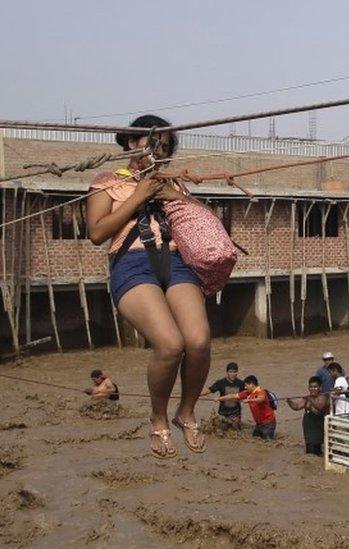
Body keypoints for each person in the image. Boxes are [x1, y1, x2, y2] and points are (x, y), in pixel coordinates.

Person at [87, 114, 209, 459]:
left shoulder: (174, 183)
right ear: (131, 142)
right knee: (170, 344)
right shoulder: (108, 180)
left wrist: (172, 193)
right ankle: (158, 418)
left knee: (198, 341)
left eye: (165, 147)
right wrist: (140, 195)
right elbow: (97, 232)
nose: (158, 151)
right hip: (133, 263)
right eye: (152, 143)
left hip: (176, 261)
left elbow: (203, 220)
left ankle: (186, 412)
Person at [218, 375, 276, 440]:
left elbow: (261, 399)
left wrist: (249, 400)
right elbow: (233, 396)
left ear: (251, 384)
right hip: (259, 424)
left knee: (268, 443)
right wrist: (219, 398)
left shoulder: (261, 392)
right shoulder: (248, 393)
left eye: (246, 385)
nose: (245, 387)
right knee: (256, 440)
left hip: (268, 424)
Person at [287, 377, 329, 456]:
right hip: (308, 430)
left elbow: (320, 406)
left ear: (320, 388)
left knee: (315, 451)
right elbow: (297, 407)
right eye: (311, 387)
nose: (312, 389)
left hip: (317, 429)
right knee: (309, 450)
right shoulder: (307, 398)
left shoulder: (322, 397)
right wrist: (289, 401)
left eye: (315, 387)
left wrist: (310, 398)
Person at [200, 362, 245, 430]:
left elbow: (248, 394)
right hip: (223, 413)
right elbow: (209, 390)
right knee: (221, 432)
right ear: (227, 372)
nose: (232, 374)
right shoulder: (221, 383)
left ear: (237, 372)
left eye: (234, 372)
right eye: (230, 372)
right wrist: (195, 395)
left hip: (236, 413)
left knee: (236, 431)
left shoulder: (241, 383)